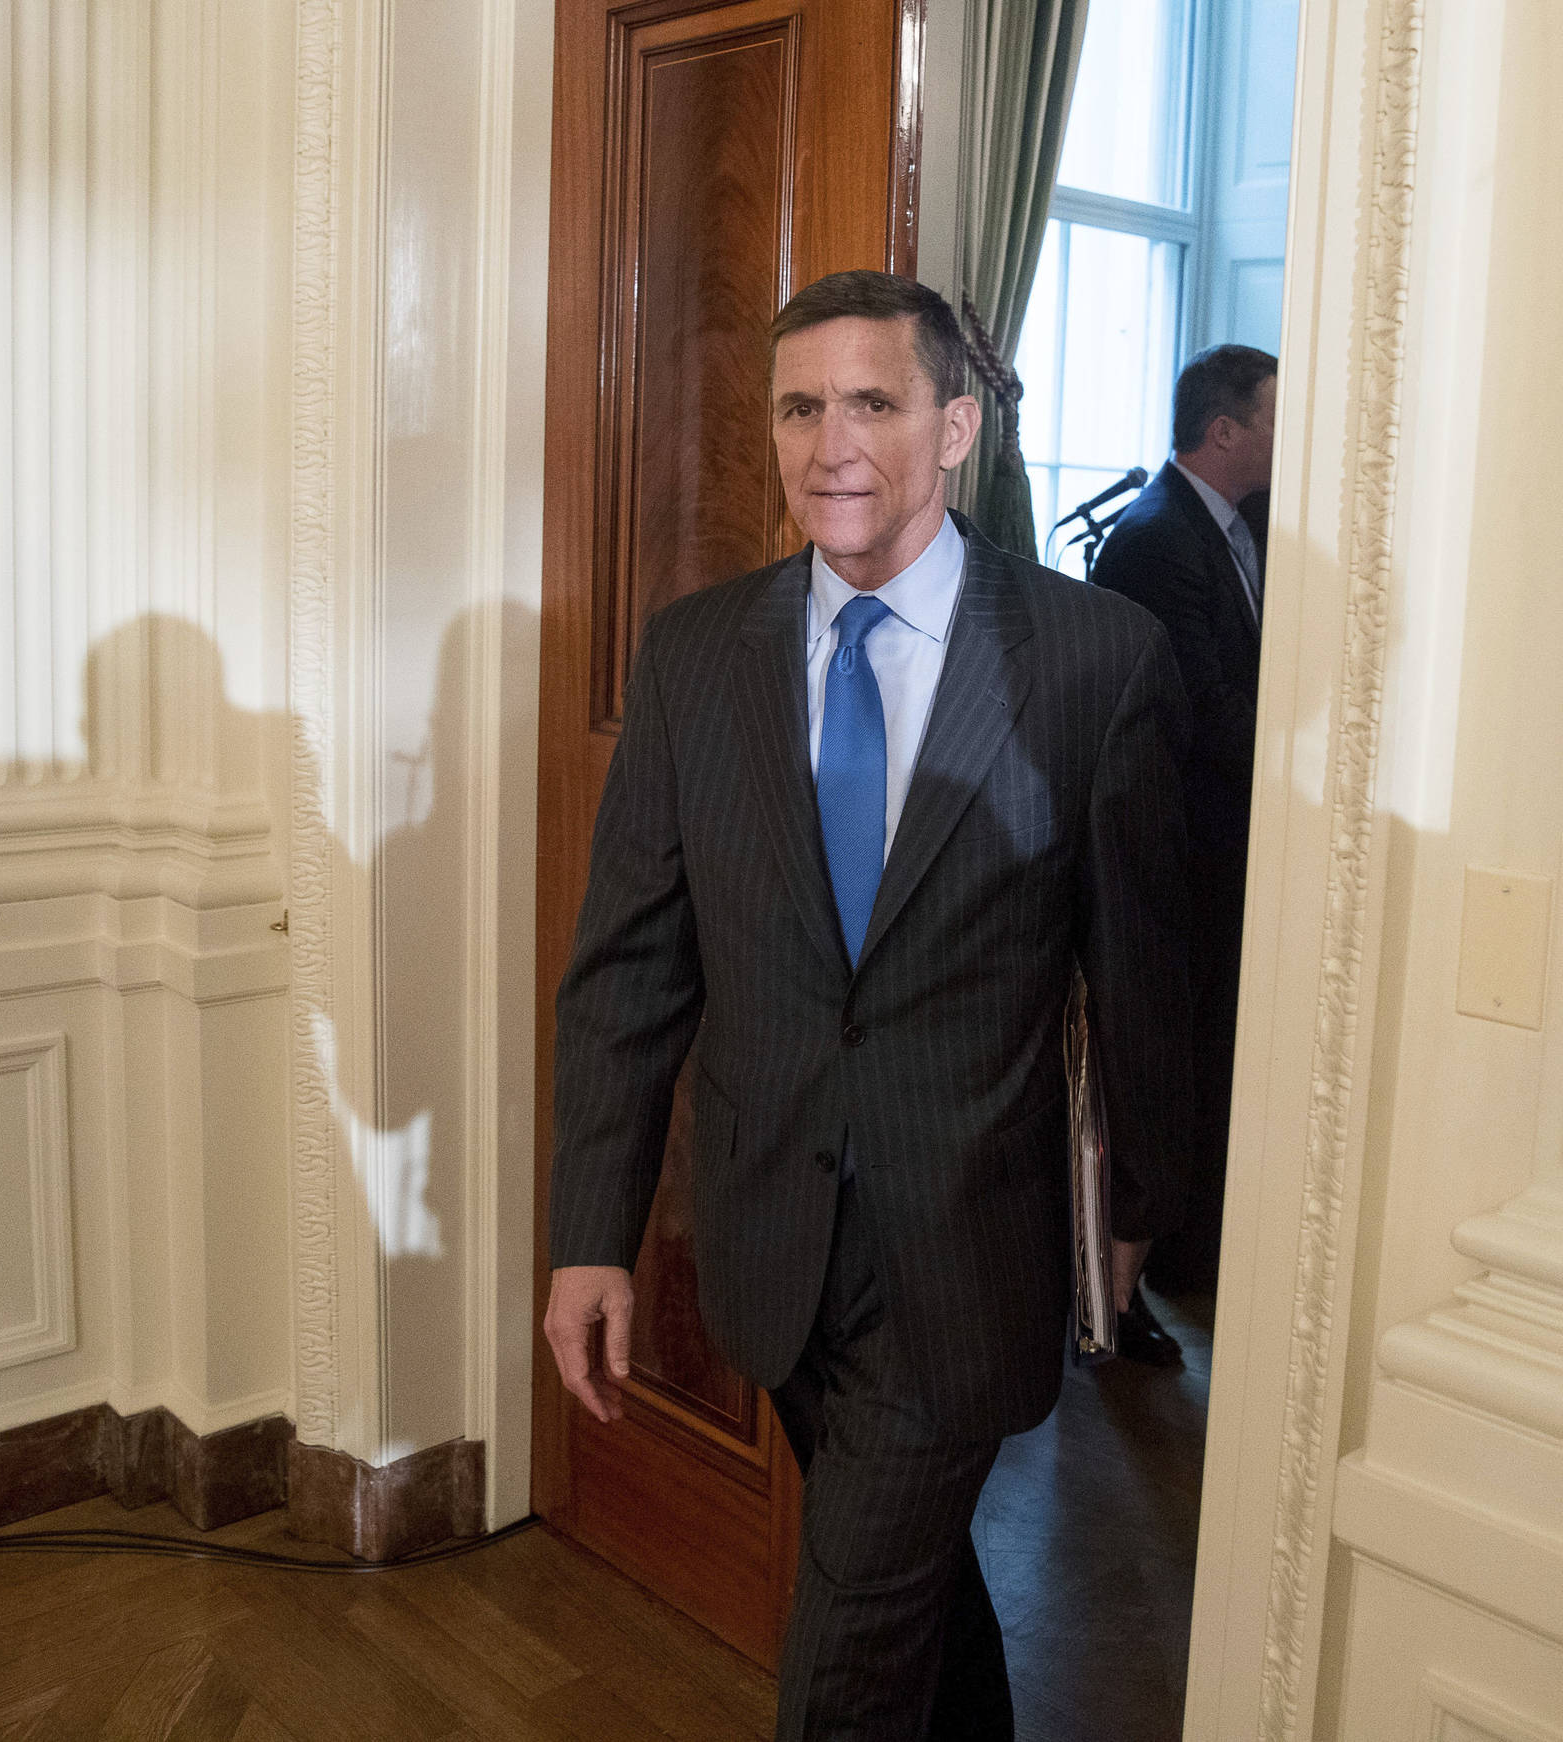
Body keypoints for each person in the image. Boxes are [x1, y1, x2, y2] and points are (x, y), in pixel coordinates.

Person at [543, 270, 1193, 1740]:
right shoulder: (697, 654)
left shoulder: (1092, 659)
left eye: (874, 402)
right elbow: (629, 975)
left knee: (841, 1662)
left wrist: (1146, 1201)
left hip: (967, 1249)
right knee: (902, 1585)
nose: (830, 442)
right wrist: (592, 1236)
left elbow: (1141, 966)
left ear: (955, 424)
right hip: (776, 1240)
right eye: (799, 404)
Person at [1091, 344, 1277, 1334]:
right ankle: (1146, 1273)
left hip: (1229, 845)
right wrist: (1308, 770)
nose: (1287, 435)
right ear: (1223, 430)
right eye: (1273, 416)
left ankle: (1194, 1248)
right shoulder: (1156, 539)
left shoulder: (1244, 525)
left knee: (1215, 1046)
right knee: (1170, 1061)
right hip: (1173, 847)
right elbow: (1198, 715)